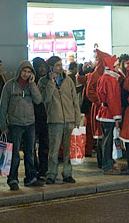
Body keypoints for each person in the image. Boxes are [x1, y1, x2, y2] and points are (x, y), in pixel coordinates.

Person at [0, 60, 43, 191]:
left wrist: (33, 84)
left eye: (29, 72)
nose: (26, 74)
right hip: (14, 125)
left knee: (30, 153)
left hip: (30, 124)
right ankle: (13, 179)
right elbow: (2, 107)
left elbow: (38, 100)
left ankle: (31, 178)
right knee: (14, 155)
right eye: (24, 71)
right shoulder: (9, 86)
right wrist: (3, 126)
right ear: (19, 71)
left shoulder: (31, 86)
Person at [38, 56, 81, 184]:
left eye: (61, 64)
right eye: (57, 65)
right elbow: (44, 99)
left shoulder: (68, 80)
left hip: (69, 119)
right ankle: (51, 173)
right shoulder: (43, 81)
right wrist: (51, 82)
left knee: (69, 149)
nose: (60, 67)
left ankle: (67, 173)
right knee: (54, 149)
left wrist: (77, 118)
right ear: (51, 67)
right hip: (54, 120)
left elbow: (75, 100)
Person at [96, 55, 122, 175]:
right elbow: (113, 99)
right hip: (109, 113)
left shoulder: (103, 78)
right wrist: (117, 116)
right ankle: (107, 165)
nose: (118, 68)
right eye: (116, 66)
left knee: (105, 139)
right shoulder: (111, 80)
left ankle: (106, 162)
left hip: (103, 111)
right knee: (108, 140)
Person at [86, 50, 110, 168]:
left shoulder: (102, 74)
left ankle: (104, 160)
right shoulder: (96, 75)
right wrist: (102, 101)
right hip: (99, 109)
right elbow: (89, 93)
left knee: (103, 136)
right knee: (101, 136)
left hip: (102, 108)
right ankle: (103, 161)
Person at [32, 57, 50, 180]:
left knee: (44, 145)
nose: (42, 69)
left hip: (45, 117)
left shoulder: (48, 81)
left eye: (43, 66)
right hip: (33, 118)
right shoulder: (31, 82)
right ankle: (34, 168)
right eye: (39, 67)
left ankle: (43, 169)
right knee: (31, 146)